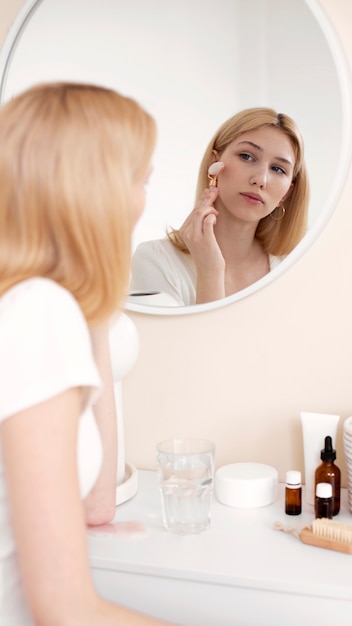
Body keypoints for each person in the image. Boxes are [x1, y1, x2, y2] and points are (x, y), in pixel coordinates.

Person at [0, 82, 175, 626]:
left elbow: (96, 505)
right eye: (141, 180)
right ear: (97, 191)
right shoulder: (35, 314)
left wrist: (97, 294)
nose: (144, 200)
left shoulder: (47, 304)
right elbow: (67, 610)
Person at [130, 107, 309, 306]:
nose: (260, 179)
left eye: (277, 169)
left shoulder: (293, 267)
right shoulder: (156, 260)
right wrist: (210, 270)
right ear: (214, 163)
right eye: (247, 157)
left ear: (286, 193)